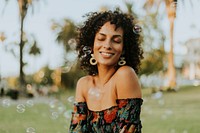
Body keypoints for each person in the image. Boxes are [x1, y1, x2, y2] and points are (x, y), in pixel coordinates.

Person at [69, 9, 143, 133]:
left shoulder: (125, 75)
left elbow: (127, 130)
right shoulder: (83, 84)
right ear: (91, 45)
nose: (107, 45)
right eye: (101, 38)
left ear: (124, 49)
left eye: (116, 40)